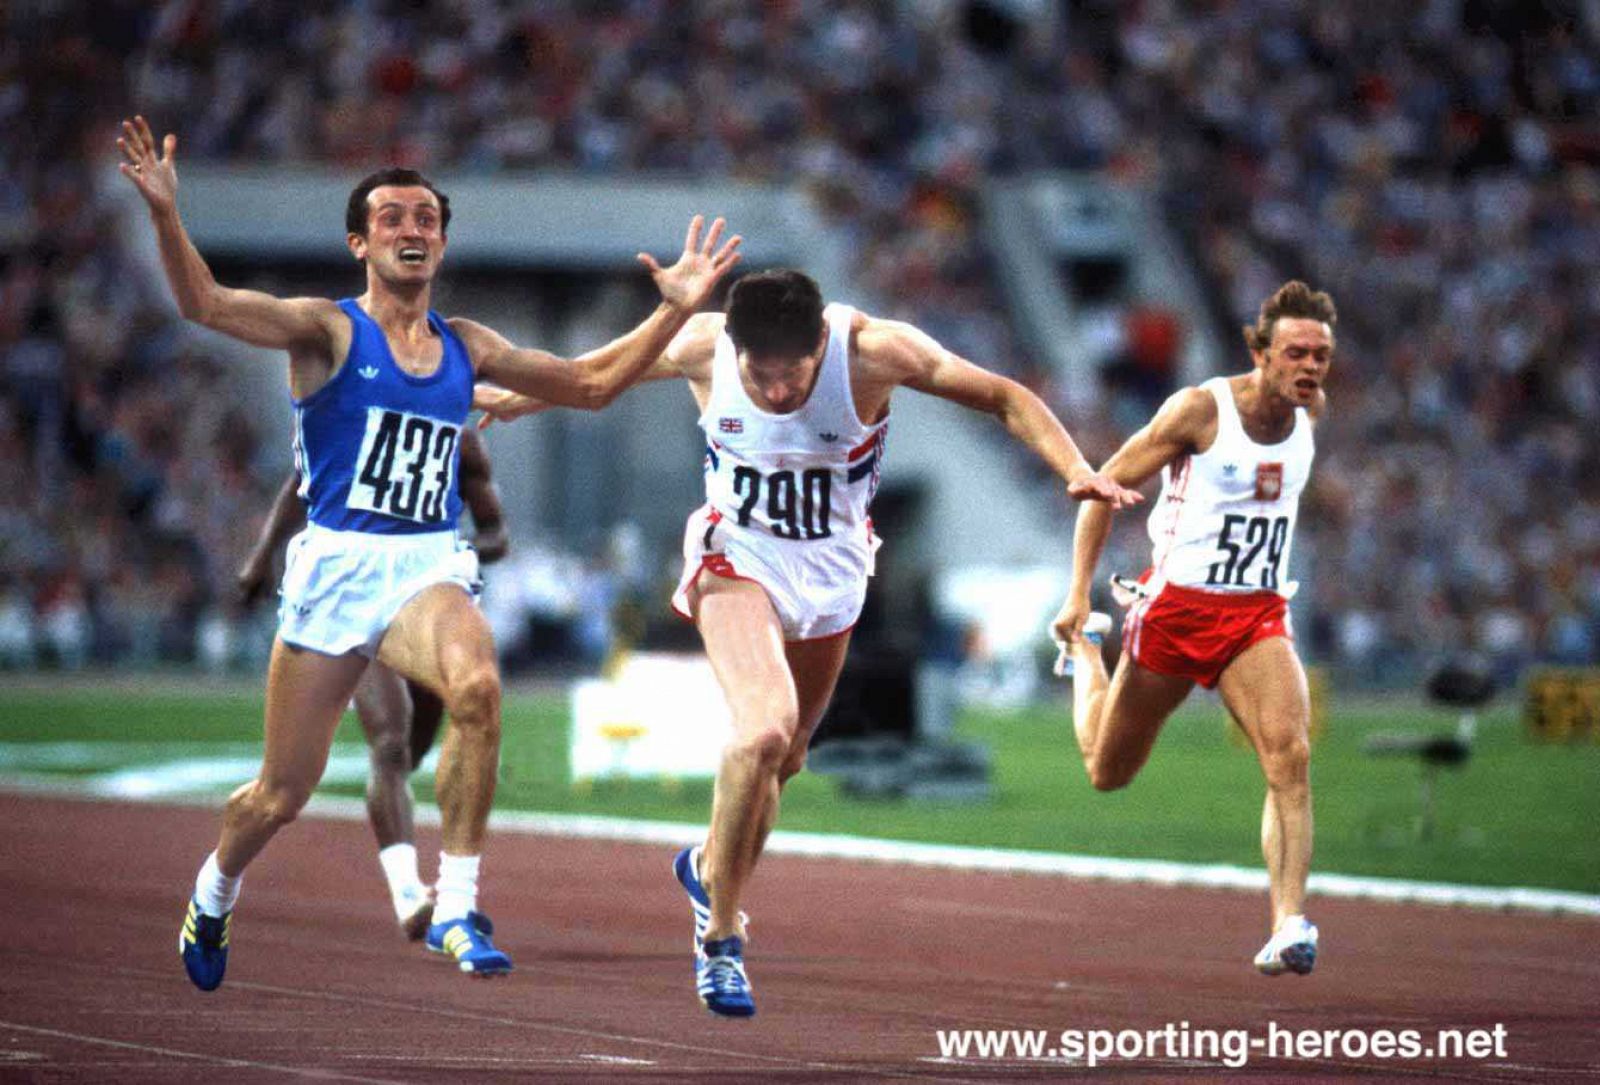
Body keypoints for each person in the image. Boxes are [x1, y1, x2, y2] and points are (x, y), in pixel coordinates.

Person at [116, 115, 741, 989]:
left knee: (480, 687)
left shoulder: (467, 345)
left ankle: (455, 902)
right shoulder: (326, 331)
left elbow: (593, 385)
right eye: (392, 219)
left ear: (442, 242)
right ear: (358, 242)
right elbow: (206, 304)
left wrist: (674, 309)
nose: (412, 230)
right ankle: (214, 891)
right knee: (279, 795)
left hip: (424, 563)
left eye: (427, 220)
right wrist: (163, 215)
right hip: (335, 566)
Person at [477, 268, 1141, 1015]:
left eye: (791, 372)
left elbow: (1004, 396)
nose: (778, 392)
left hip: (834, 571)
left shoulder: (875, 352)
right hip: (737, 556)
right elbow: (598, 374)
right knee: (760, 730)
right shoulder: (702, 345)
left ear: (818, 344)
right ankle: (721, 938)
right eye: (759, 374)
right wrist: (515, 398)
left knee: (786, 757)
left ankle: (706, 866)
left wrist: (1075, 469)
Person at [1049, 280, 1334, 977]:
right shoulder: (1200, 410)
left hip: (1256, 613)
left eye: (1321, 355)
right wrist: (1078, 595)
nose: (1310, 368)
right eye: (1296, 352)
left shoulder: (1311, 412)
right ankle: (1083, 657)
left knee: (1288, 755)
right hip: (1175, 613)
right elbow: (1100, 489)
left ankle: (1288, 922)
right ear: (1259, 351)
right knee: (1107, 771)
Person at [236, 426, 508, 940]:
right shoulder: (352, 416)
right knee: (388, 743)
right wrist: (262, 553)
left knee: (412, 749)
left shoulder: (460, 442)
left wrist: (456, 553)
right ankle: (410, 895)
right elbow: (301, 481)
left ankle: (425, 867)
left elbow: (497, 531)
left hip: (426, 605)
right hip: (358, 596)